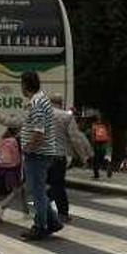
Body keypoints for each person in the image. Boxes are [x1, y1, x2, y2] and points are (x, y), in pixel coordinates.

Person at [18, 71, 62, 240]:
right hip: (42, 152)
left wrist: (28, 147)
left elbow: (39, 131)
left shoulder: (37, 103)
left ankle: (40, 226)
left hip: (37, 153)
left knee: (35, 191)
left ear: (25, 85)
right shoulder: (42, 99)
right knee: (39, 190)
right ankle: (52, 222)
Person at [47, 93, 91, 223]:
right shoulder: (66, 116)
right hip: (57, 157)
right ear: (61, 103)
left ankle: (38, 207)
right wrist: (83, 157)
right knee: (58, 185)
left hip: (41, 157)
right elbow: (75, 138)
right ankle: (62, 214)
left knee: (43, 186)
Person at [0, 127, 29, 221]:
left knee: (21, 190)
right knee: (17, 190)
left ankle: (26, 212)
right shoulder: (15, 140)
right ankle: (2, 206)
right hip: (15, 168)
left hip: (3, 168)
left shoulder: (2, 140)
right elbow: (18, 155)